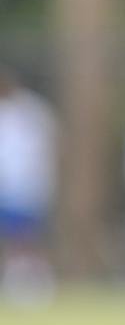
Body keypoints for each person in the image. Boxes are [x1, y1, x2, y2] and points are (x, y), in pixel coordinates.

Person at [0, 66, 56, 305]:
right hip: (7, 187)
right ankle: (14, 280)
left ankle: (38, 281)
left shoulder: (32, 110)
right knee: (11, 237)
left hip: (30, 186)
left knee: (30, 236)